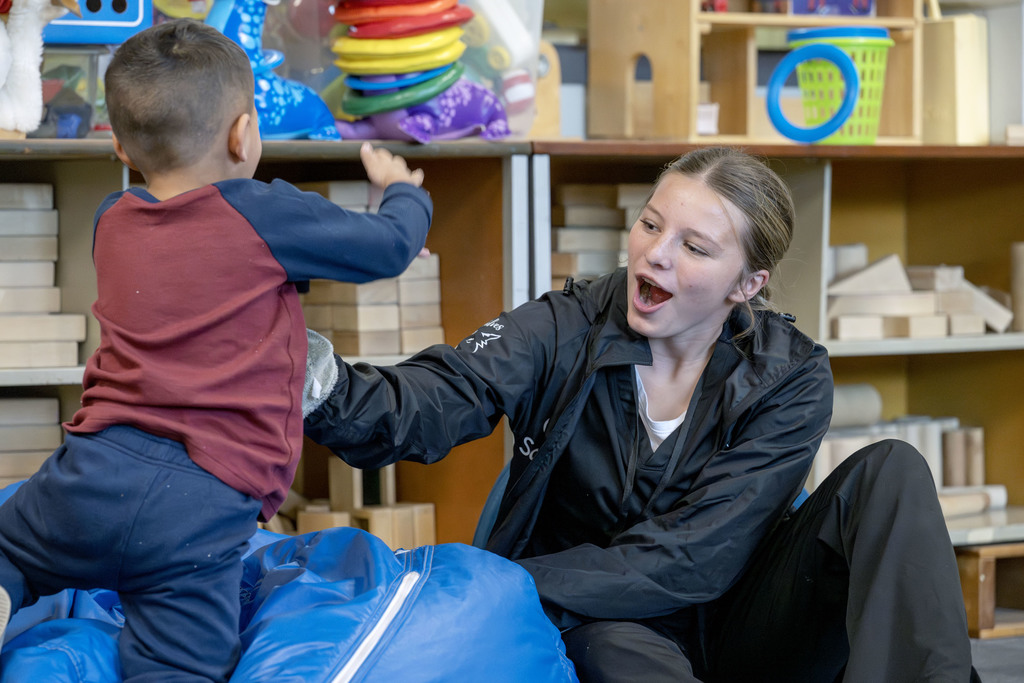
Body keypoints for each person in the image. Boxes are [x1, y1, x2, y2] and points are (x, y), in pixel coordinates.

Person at [302, 146, 979, 682]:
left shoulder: (790, 375)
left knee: (893, 469)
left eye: (695, 246)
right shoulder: (564, 327)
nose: (655, 253)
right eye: (652, 223)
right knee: (623, 655)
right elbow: (433, 398)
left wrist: (506, 578)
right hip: (604, 617)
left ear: (748, 285)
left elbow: (698, 557)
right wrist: (316, 381)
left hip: (742, 624)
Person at [0, 19, 431, 682]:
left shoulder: (110, 220)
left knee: (8, 548)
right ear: (243, 134)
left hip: (87, 476)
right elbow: (388, 247)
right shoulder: (266, 212)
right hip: (199, 509)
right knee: (179, 663)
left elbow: (195, 266)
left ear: (118, 142)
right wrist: (403, 192)